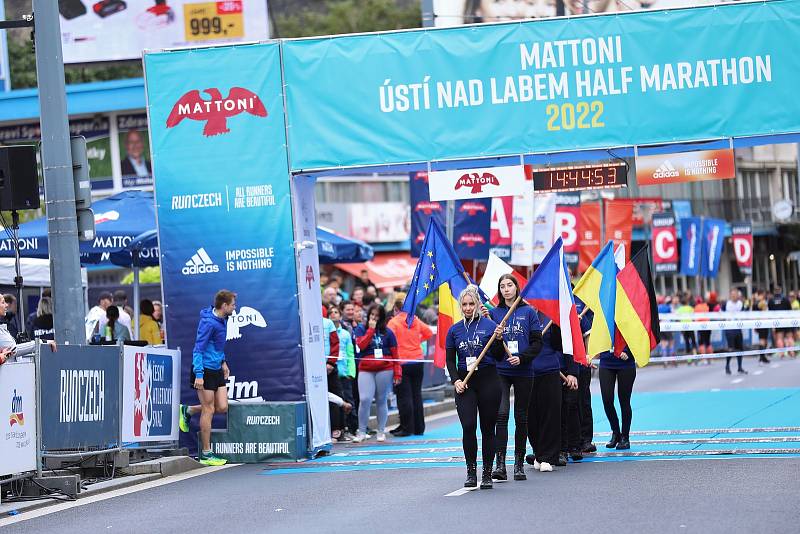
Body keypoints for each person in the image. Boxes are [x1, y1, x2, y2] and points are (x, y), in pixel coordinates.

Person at [446, 285, 504, 489]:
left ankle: (487, 473)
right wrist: (456, 381)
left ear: (478, 304)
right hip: (465, 383)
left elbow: (499, 356)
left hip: (489, 380)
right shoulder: (454, 330)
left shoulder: (490, 325)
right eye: (465, 304)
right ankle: (471, 471)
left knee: (488, 429)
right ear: (460, 306)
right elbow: (450, 361)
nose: (469, 307)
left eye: (472, 304)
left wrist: (498, 339)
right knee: (468, 426)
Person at [485, 274, 542, 481]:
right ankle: (500, 464)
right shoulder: (494, 314)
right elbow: (494, 351)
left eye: (510, 285)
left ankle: (518, 464)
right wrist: (498, 339)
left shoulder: (528, 312)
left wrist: (522, 358)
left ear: (517, 288)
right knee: (501, 415)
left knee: (521, 417)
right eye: (502, 286)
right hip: (501, 370)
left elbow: (537, 343)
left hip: (524, 371)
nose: (506, 289)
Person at [179, 290, 236, 466]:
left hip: (217, 368)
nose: (235, 307)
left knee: (222, 407)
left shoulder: (222, 319)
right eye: (233, 304)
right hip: (204, 370)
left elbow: (217, 346)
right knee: (209, 410)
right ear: (224, 306)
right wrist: (199, 374)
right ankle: (206, 454)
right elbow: (198, 349)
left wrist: (223, 362)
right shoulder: (209, 323)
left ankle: (188, 411)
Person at [353, 303, 401, 443]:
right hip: (366, 368)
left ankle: (381, 431)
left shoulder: (388, 332)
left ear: (381, 318)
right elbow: (361, 345)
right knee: (365, 399)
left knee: (381, 399)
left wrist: (398, 373)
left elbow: (395, 354)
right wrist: (370, 331)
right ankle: (361, 431)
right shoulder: (361, 329)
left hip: (385, 369)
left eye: (376, 316)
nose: (373, 318)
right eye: (372, 315)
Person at [387, 300, 435, 437]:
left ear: (395, 309)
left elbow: (389, 339)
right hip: (417, 360)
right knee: (416, 395)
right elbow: (429, 333)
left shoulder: (393, 322)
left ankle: (407, 428)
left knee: (404, 397)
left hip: (402, 362)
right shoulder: (415, 319)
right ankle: (419, 427)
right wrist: (416, 342)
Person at [526, 315, 564, 473]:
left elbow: (559, 345)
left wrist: (556, 325)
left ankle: (548, 456)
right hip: (527, 372)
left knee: (550, 415)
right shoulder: (520, 314)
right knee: (531, 417)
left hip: (549, 370)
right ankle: (538, 452)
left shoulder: (549, 314)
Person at [599, 348, 636, 450]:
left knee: (624, 401)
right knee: (607, 399)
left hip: (626, 362)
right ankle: (616, 432)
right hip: (606, 361)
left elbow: (638, 336)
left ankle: (625, 437)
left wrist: (629, 352)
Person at [331, 305, 357, 439]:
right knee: (336, 402)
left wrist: (351, 372)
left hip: (344, 372)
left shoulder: (346, 334)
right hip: (332, 372)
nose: (334, 314)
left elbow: (350, 353)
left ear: (340, 316)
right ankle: (340, 430)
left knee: (349, 400)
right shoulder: (327, 333)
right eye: (331, 313)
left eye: (336, 312)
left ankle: (352, 429)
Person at [725, 288, 747, 375]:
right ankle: (727, 366)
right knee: (730, 349)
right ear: (730, 295)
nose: (734, 296)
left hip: (738, 328)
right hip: (730, 329)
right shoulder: (726, 304)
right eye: (732, 294)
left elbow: (745, 313)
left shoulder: (740, 304)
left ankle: (740, 367)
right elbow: (719, 313)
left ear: (738, 295)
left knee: (740, 348)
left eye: (736, 294)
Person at [769, 286, 795, 358]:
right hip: (786, 320)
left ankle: (781, 353)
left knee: (779, 337)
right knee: (789, 337)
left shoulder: (771, 300)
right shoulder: (785, 299)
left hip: (777, 321)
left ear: (774, 291)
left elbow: (770, 312)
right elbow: (790, 310)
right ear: (780, 290)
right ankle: (792, 352)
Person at [752, 289, 771, 363]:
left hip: (759, 323)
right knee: (763, 340)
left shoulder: (754, 303)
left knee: (763, 340)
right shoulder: (761, 302)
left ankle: (762, 356)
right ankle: (762, 357)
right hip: (763, 323)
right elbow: (765, 311)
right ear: (762, 294)